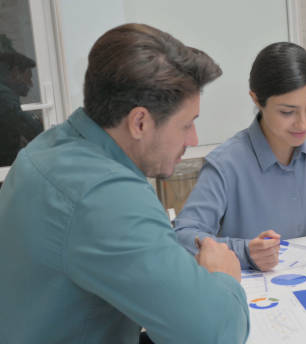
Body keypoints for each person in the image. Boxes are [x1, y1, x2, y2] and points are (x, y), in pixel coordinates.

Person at [0, 24, 249, 343]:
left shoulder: (50, 148)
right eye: (186, 125)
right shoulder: (102, 193)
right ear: (140, 122)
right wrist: (223, 277)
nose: (193, 139)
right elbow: (214, 334)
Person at [174, 42, 306, 271]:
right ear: (256, 100)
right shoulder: (225, 163)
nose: (303, 123)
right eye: (287, 112)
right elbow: (183, 237)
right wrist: (244, 251)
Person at [0, 34, 43, 166]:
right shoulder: (5, 97)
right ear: (15, 72)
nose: (30, 84)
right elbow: (29, 128)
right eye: (28, 77)